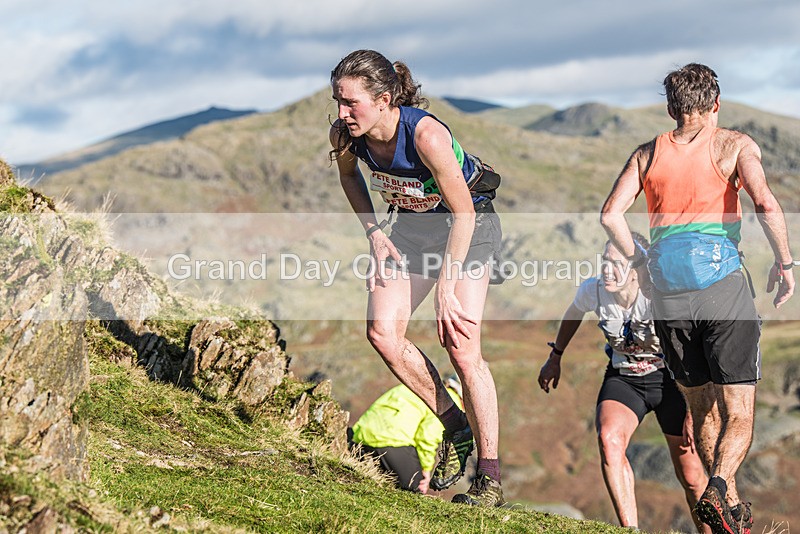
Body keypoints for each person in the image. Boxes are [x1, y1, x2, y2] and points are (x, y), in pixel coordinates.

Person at [600, 63, 795, 534]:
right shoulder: (734, 145)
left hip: (669, 294)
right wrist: (785, 264)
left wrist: (641, 262)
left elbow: (610, 215)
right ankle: (721, 487)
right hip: (722, 287)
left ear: (671, 108)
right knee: (739, 409)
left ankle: (722, 505)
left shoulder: (646, 155)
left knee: (701, 407)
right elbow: (766, 204)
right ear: (716, 103)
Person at [329, 49, 504, 506]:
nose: (343, 113)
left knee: (462, 347)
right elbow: (350, 179)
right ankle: (454, 424)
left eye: (352, 103)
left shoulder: (425, 135)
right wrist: (373, 234)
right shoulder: (348, 136)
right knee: (383, 333)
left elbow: (464, 213)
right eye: (338, 102)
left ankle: (489, 479)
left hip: (468, 227)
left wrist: (447, 288)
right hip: (410, 230)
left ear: (385, 98)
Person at [537, 235, 710, 532]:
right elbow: (574, 312)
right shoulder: (594, 290)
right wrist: (556, 356)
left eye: (616, 264)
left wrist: (697, 406)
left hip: (672, 382)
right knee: (609, 440)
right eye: (604, 261)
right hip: (626, 379)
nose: (606, 270)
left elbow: (696, 344)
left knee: (692, 477)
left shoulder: (659, 294)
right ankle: (629, 530)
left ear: (636, 270)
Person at [350, 375, 464, 493]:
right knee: (416, 488)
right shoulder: (450, 403)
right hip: (393, 441)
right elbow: (427, 436)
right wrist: (426, 469)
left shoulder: (422, 387)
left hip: (363, 435)